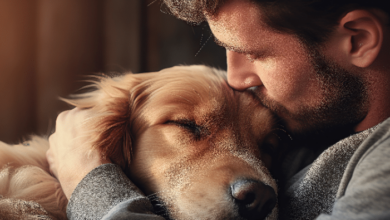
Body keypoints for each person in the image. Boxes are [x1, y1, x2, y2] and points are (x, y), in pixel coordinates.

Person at [46, 0, 390, 219]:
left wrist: (88, 185)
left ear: (358, 40)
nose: (237, 79)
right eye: (190, 127)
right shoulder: (307, 121)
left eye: (255, 54)